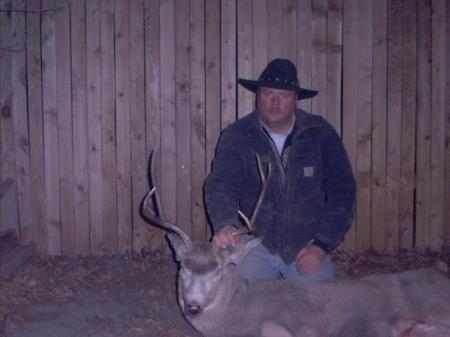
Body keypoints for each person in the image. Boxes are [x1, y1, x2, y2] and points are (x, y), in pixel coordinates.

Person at [204, 58, 356, 283]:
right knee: (238, 306)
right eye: (268, 94)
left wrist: (321, 246)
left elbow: (343, 192)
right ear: (258, 96)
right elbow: (220, 185)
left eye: (284, 96)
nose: (274, 102)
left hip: (305, 244)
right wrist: (226, 224)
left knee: (320, 313)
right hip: (255, 243)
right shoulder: (237, 136)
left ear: (295, 99)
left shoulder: (320, 133)